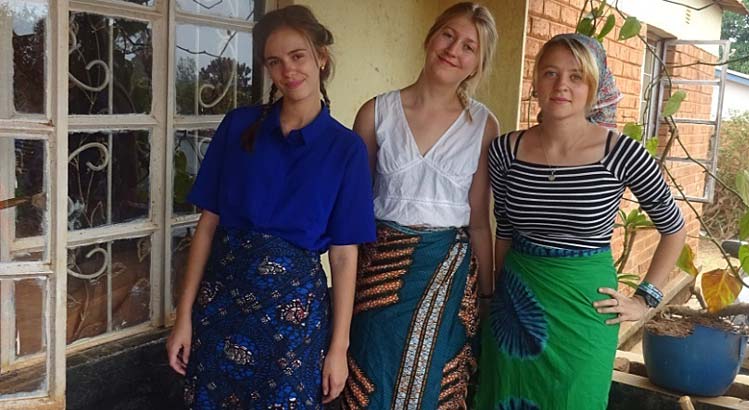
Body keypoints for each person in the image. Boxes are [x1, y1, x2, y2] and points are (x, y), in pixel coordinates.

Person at [165, 6, 376, 409]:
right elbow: (207, 226)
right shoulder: (238, 126)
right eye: (274, 61)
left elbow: (345, 256)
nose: (288, 71)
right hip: (220, 303)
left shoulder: (345, 149)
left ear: (321, 57)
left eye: (298, 56)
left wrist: (338, 348)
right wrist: (184, 316)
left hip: (294, 319)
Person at [475, 33, 687, 409]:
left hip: (586, 309)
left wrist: (645, 300)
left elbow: (673, 227)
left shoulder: (622, 153)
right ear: (536, 81)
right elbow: (503, 230)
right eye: (551, 73)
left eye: (576, 77)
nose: (562, 86)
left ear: (594, 86)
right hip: (517, 307)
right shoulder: (505, 151)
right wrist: (492, 298)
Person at [339, 3, 499, 409]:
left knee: (435, 387)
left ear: (477, 64)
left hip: (448, 275)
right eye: (448, 35)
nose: (453, 50)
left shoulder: (482, 125)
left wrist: (486, 296)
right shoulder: (376, 112)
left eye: (469, 47)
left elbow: (479, 221)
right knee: (369, 375)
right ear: (430, 37)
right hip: (380, 279)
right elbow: (352, 214)